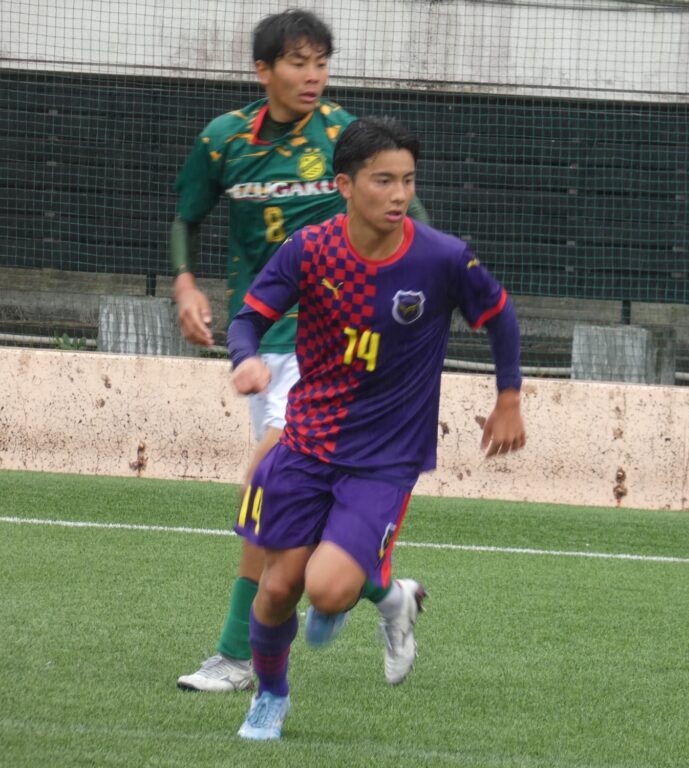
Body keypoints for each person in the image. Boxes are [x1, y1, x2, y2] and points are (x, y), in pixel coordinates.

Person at [226, 115, 526, 740]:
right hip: (306, 445)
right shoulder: (309, 250)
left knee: (327, 592)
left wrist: (509, 397)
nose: (399, 194)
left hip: (385, 459)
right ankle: (271, 697)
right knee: (277, 589)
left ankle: (374, 593)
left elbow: (500, 315)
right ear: (345, 184)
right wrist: (245, 358)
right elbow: (248, 318)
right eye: (383, 180)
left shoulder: (442, 257)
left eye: (407, 181)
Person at [171, 9, 430, 693]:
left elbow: (411, 219)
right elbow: (186, 217)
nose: (313, 76)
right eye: (297, 62)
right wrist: (186, 283)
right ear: (264, 70)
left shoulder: (345, 136)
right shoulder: (224, 141)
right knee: (283, 505)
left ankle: (237, 657)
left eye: (321, 62)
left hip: (334, 346)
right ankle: (383, 592)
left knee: (263, 482)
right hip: (261, 339)